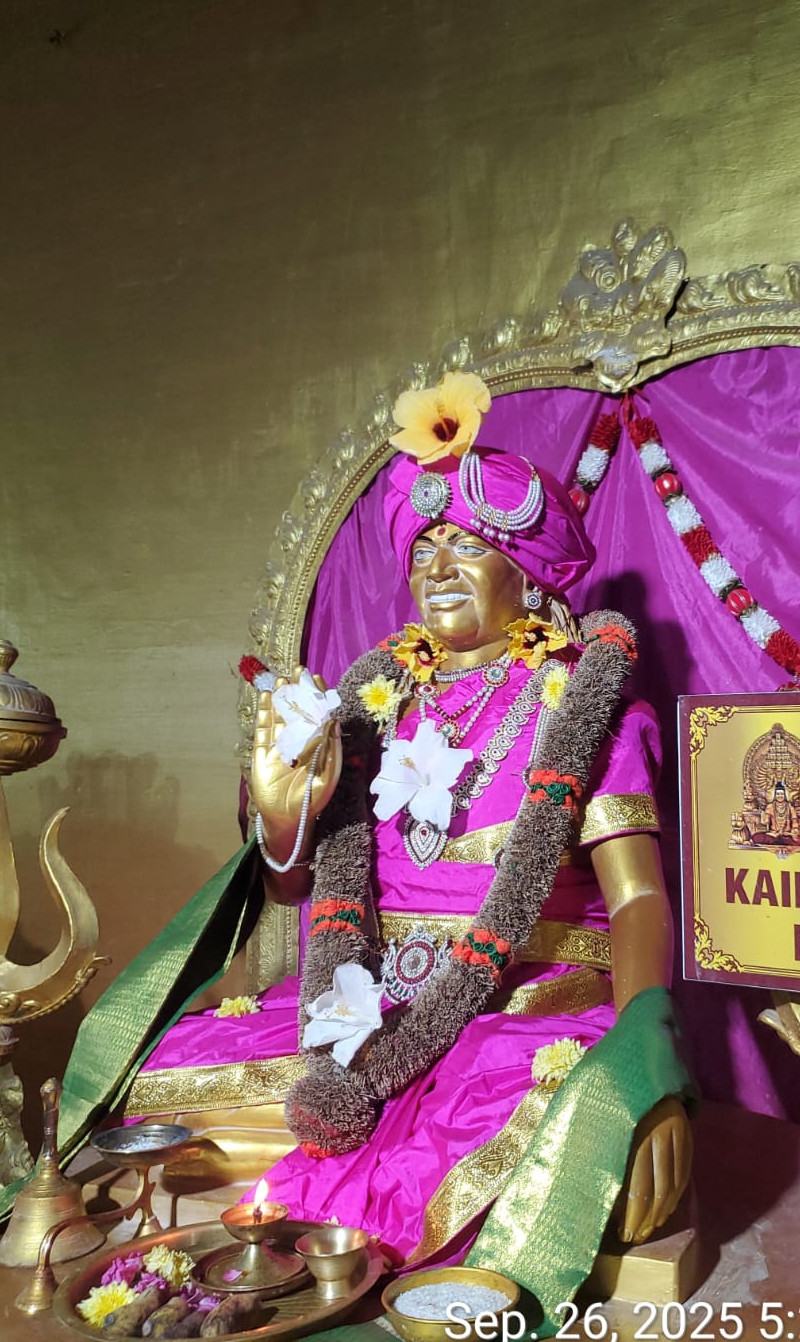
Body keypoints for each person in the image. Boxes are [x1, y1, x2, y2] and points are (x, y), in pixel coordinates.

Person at [233, 373, 691, 1266]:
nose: (436, 569)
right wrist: (285, 822)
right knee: (175, 1077)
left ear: (528, 572)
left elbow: (637, 900)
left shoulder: (586, 704)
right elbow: (301, 891)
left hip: (526, 1000)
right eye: (423, 549)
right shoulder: (371, 708)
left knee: (483, 1135)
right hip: (369, 1004)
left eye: (467, 546)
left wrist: (646, 1056)